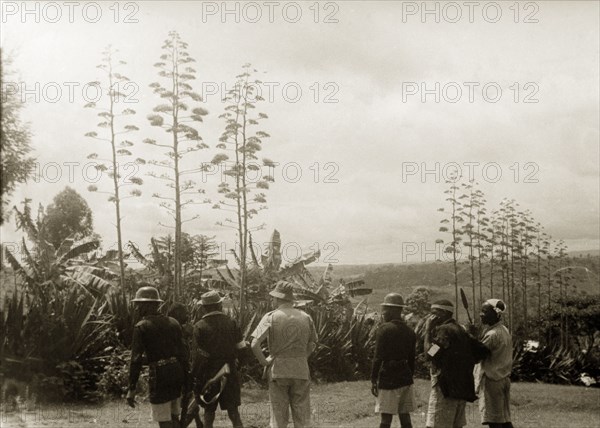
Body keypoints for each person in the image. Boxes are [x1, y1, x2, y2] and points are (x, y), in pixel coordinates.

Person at [250, 281, 318, 428]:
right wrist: (302, 357)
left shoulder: (271, 317)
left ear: (278, 298)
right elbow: (313, 343)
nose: (272, 300)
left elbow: (254, 344)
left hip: (278, 370)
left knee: (278, 417)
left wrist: (265, 362)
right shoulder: (306, 317)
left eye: (274, 298)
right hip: (300, 369)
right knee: (302, 416)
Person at [127, 286, 188, 428]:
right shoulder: (174, 323)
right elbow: (183, 353)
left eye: (139, 305)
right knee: (174, 416)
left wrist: (131, 388)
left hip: (160, 375)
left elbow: (135, 359)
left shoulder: (141, 326)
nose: (137, 309)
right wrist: (186, 379)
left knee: (163, 418)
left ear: (148, 305)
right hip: (176, 372)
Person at [424, 300, 488, 428]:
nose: (430, 318)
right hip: (461, 387)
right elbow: (482, 351)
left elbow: (429, 354)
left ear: (443, 313)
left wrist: (427, 330)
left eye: (434, 314)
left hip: (445, 388)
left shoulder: (444, 331)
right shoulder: (461, 330)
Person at [192, 290, 245, 428]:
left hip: (209, 374)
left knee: (209, 412)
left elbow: (198, 356)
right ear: (220, 305)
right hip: (229, 372)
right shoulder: (232, 323)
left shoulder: (199, 326)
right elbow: (242, 348)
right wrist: (236, 366)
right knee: (234, 412)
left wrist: (196, 376)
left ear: (203, 307)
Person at [371, 293, 416, 428]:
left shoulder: (384, 329)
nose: (383, 312)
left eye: (385, 309)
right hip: (405, 377)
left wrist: (374, 379)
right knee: (405, 416)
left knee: (386, 417)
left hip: (388, 377)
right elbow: (412, 359)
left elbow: (377, 357)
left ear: (393, 310)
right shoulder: (410, 332)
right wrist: (409, 376)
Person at [474, 299, 514, 428]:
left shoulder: (492, 334)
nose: (481, 314)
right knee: (505, 420)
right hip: (503, 379)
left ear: (495, 314)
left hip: (492, 381)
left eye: (484, 311)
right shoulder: (504, 330)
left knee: (494, 422)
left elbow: (477, 356)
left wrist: (470, 336)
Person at [169, 303, 203, 428]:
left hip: (185, 368)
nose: (187, 315)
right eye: (184, 312)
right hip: (178, 369)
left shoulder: (181, 328)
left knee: (189, 398)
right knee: (183, 402)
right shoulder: (173, 329)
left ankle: (196, 422)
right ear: (177, 314)